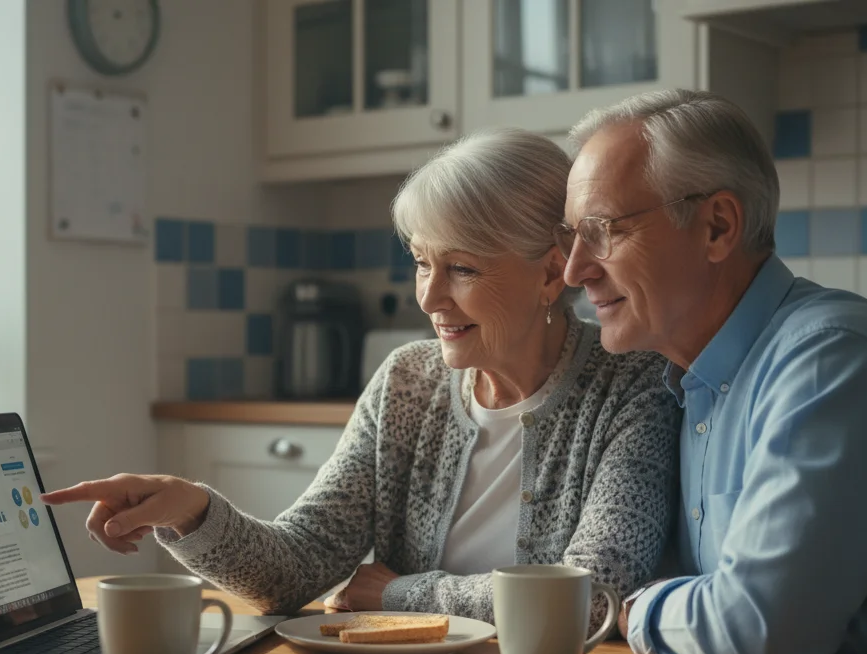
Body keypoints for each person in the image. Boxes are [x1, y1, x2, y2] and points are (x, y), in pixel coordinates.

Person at [42, 128, 680, 623]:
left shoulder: (634, 384)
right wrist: (192, 511)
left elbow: (594, 596)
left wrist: (403, 593)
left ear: (549, 274)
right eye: (421, 264)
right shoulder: (408, 380)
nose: (429, 300)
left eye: (461, 269)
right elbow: (295, 568)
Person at [556, 89, 867, 654]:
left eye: (603, 230)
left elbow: (753, 630)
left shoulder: (832, 361)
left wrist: (640, 607)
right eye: (572, 237)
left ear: (718, 226)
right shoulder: (686, 383)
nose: (575, 270)